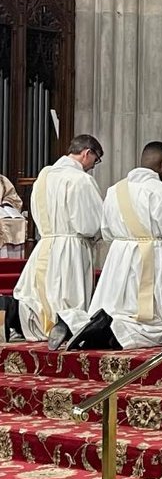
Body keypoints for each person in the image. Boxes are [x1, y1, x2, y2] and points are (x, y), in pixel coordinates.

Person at [49, 142, 162, 350]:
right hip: (151, 260)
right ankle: (103, 331)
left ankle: (75, 322)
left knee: (116, 309)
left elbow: (106, 230)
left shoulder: (115, 190)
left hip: (118, 259)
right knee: (154, 324)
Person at [8, 135, 103, 342]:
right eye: (95, 160)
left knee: (47, 292)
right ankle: (67, 325)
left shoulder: (44, 177)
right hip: (72, 247)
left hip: (46, 244)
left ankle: (45, 327)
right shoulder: (81, 180)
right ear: (87, 153)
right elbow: (90, 223)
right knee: (67, 293)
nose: (93, 167)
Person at [0, 175, 26, 258]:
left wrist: (6, 203)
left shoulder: (2, 180)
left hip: (4, 212)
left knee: (20, 222)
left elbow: (13, 197)